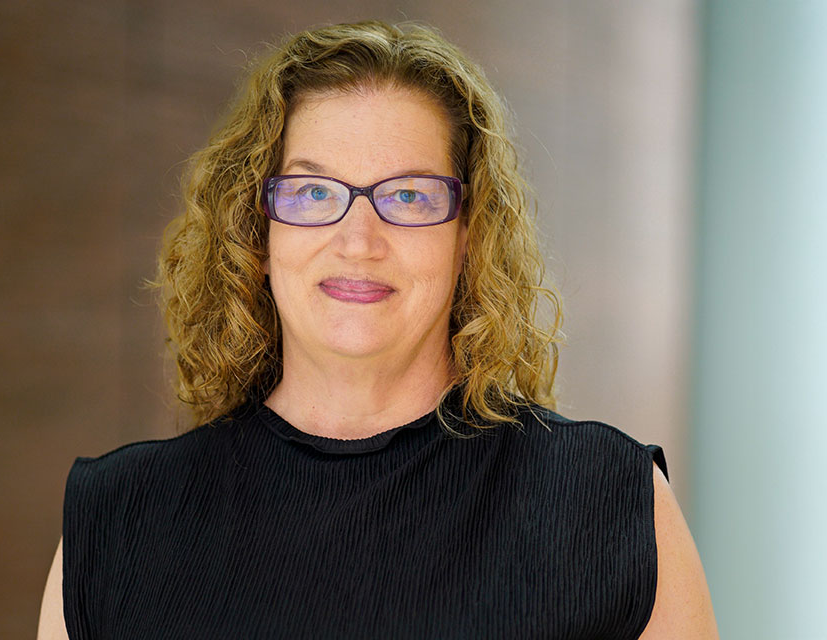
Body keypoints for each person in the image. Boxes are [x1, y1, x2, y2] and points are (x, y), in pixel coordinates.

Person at [38, 20, 717, 639]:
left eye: (409, 196)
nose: (357, 240)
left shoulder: (607, 506)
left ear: (468, 235)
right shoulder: (117, 521)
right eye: (313, 193)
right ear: (258, 230)